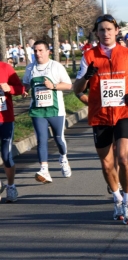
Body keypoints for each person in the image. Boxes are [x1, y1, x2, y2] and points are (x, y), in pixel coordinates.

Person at [74, 14, 128, 224]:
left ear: (116, 31)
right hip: (100, 115)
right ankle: (116, 198)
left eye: (109, 29)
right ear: (97, 33)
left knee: (123, 158)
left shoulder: (127, 53)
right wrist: (87, 77)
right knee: (107, 165)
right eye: (102, 30)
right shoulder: (88, 56)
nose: (106, 33)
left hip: (123, 111)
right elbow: (76, 89)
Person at [22, 40, 72, 183]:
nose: (37, 53)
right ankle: (44, 169)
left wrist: (53, 86)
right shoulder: (30, 68)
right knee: (41, 139)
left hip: (55, 109)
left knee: (58, 138)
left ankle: (63, 158)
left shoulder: (56, 66)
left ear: (48, 51)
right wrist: (25, 89)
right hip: (38, 110)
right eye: (35, 51)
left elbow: (68, 85)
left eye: (40, 50)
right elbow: (26, 83)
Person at [0, 62, 25, 202]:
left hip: (5, 119)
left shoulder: (5, 68)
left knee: (6, 155)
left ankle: (10, 186)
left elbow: (20, 88)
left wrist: (9, 88)